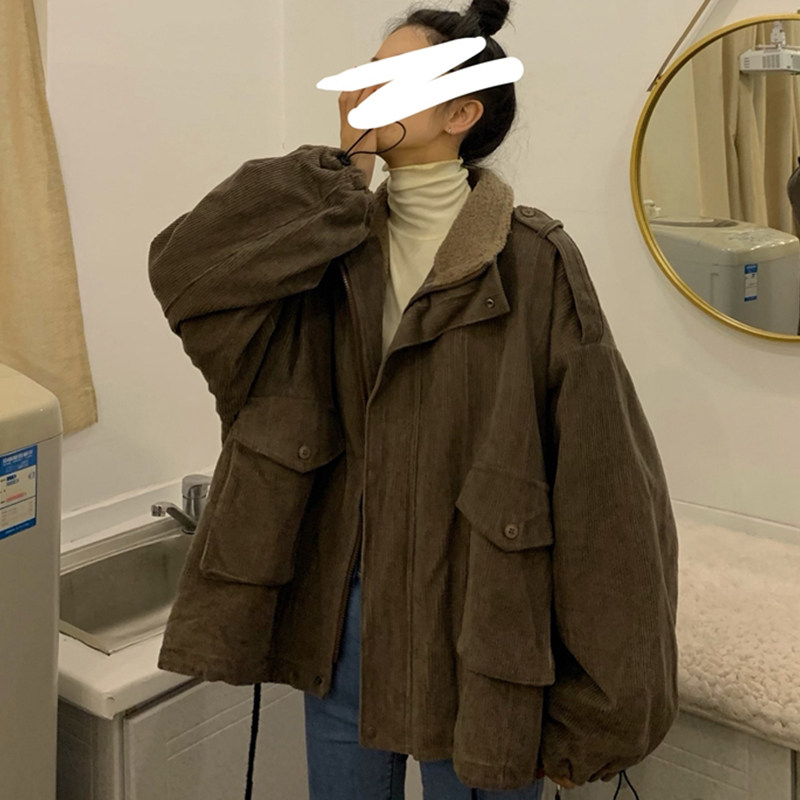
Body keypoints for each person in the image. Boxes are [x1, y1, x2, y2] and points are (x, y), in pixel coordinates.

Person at [148, 0, 679, 798]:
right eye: (366, 71)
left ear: (461, 114)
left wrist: (596, 713)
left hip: (481, 639)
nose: (362, 87)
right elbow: (186, 274)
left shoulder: (535, 265)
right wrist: (338, 177)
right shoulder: (319, 251)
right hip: (339, 632)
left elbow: (609, 499)